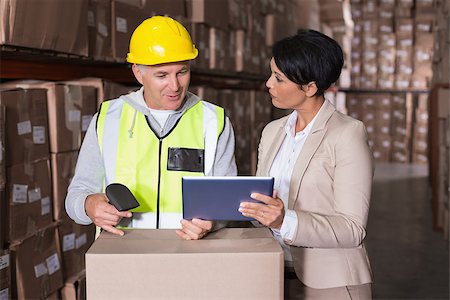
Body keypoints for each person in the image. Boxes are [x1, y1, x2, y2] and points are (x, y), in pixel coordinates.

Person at [65, 16, 237, 240]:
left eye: (182, 72)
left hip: (189, 257)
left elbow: (227, 202)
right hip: (124, 259)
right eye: (162, 75)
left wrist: (211, 222)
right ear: (138, 73)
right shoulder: (108, 119)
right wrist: (88, 205)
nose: (175, 86)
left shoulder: (214, 122)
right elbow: (76, 196)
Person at [238, 29, 374, 299]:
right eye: (271, 74)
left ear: (310, 87)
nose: (268, 84)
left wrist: (283, 220)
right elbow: (264, 203)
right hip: (272, 272)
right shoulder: (272, 131)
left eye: (278, 78)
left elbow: (352, 229)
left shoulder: (347, 134)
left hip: (330, 282)